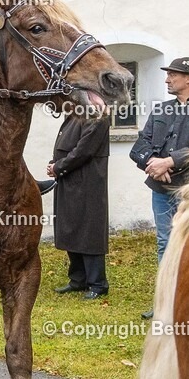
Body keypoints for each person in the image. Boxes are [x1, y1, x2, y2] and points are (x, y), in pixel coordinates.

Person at [130, 56, 189, 319]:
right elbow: (140, 146)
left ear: (188, 78)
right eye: (167, 75)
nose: (167, 79)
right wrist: (153, 164)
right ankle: (165, 304)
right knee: (164, 243)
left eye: (172, 75)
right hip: (161, 189)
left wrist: (170, 161)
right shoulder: (160, 110)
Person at [48, 114, 111, 300]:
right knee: (71, 228)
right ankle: (78, 279)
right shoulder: (76, 114)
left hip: (88, 184)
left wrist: (58, 167)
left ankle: (97, 284)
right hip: (69, 181)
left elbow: (84, 151)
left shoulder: (98, 116)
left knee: (89, 231)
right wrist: (56, 165)